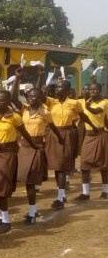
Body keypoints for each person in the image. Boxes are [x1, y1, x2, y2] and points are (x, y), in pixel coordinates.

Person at [0, 88, 40, 233]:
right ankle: (1, 217)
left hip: (7, 154)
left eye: (2, 100)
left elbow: (24, 133)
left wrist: (34, 145)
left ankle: (6, 221)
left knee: (1, 187)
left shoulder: (15, 117)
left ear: (8, 101)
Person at [11, 70, 63, 223]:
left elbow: (53, 127)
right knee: (26, 181)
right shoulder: (24, 109)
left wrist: (61, 139)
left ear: (41, 97)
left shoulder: (45, 112)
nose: (32, 98)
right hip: (24, 147)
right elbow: (13, 97)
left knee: (31, 181)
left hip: (37, 147)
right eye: (30, 96)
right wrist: (18, 78)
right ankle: (32, 210)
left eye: (35, 96)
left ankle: (32, 212)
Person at [43, 80, 96, 209]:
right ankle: (61, 194)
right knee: (56, 165)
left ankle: (60, 197)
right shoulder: (51, 102)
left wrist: (93, 126)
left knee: (62, 164)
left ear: (67, 90)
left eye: (61, 87)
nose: (57, 89)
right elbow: (40, 94)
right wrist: (41, 78)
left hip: (68, 133)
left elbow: (83, 116)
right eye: (56, 87)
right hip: (53, 134)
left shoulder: (74, 103)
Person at [74, 83, 108, 200]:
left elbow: (96, 111)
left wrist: (88, 107)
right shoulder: (85, 102)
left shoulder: (104, 102)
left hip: (100, 135)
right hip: (88, 135)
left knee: (104, 165)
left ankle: (105, 191)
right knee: (84, 164)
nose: (92, 91)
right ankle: (85, 193)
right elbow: (83, 117)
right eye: (90, 89)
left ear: (100, 90)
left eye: (95, 89)